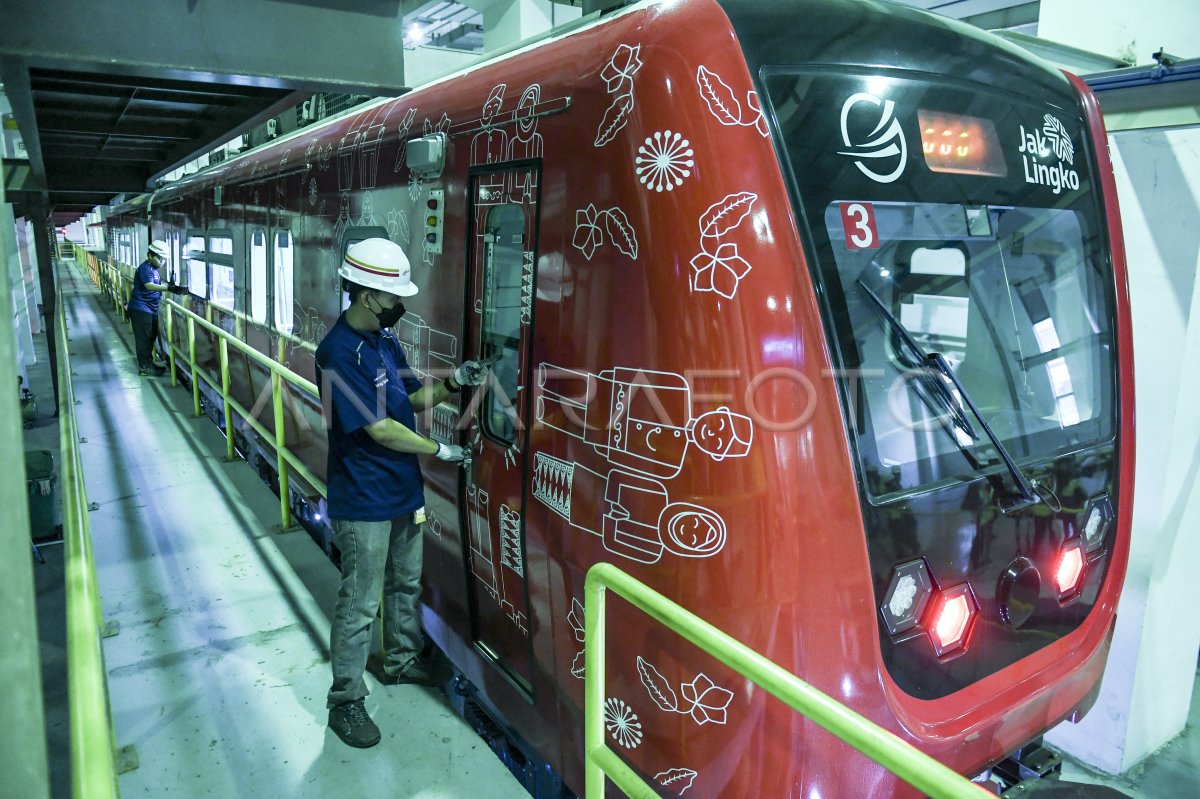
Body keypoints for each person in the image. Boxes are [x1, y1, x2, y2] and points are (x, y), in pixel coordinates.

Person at [316, 237, 491, 749]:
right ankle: (345, 701)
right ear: (369, 296)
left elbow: (411, 400)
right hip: (363, 501)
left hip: (400, 492)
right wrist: (443, 451)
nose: (401, 306)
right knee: (359, 603)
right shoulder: (337, 354)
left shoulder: (386, 343)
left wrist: (455, 381)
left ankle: (399, 661)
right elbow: (380, 431)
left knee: (404, 585)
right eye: (395, 298)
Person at [126, 240, 182, 376]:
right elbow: (149, 285)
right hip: (141, 308)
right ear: (150, 256)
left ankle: (148, 364)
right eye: (159, 258)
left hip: (149, 309)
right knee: (144, 338)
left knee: (150, 336)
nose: (161, 262)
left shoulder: (154, 270)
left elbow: (155, 283)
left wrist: (168, 284)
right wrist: (168, 288)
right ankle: (145, 367)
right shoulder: (145, 268)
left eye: (163, 259)